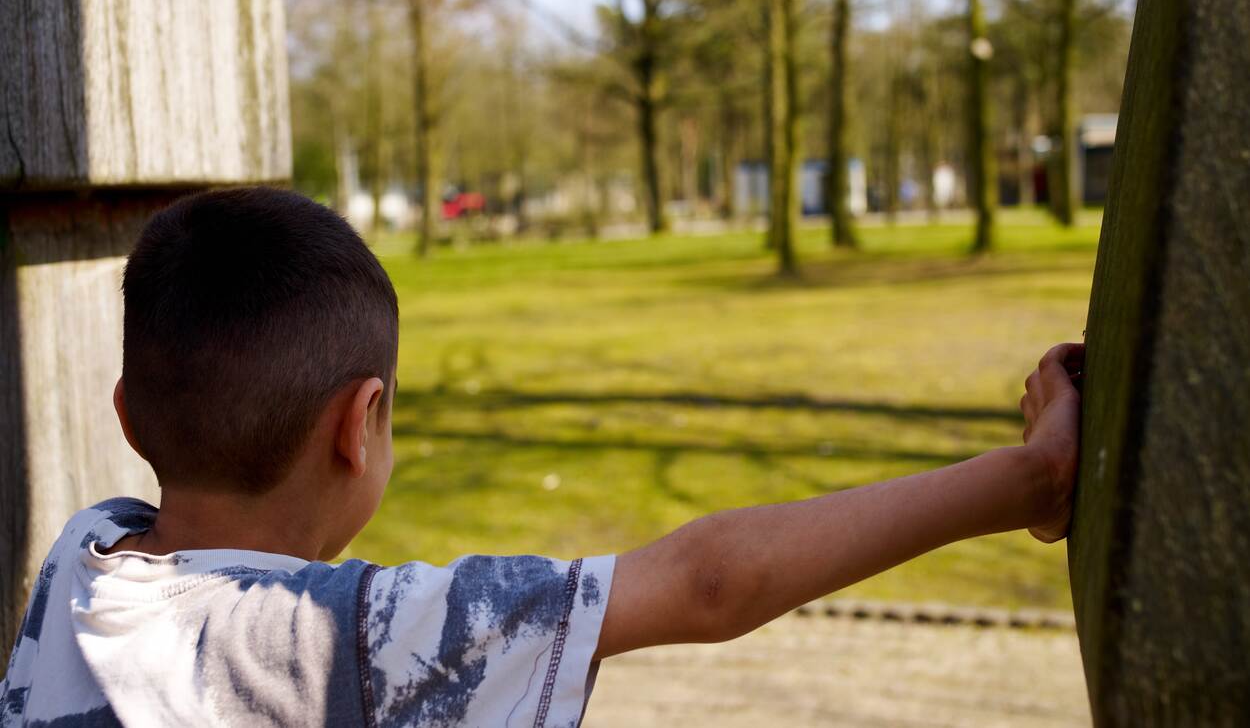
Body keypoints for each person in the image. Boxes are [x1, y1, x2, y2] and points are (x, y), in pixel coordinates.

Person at [0, 187, 1084, 727]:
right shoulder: (350, 644)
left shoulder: (80, 556)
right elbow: (706, 583)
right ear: (359, 422)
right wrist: (1028, 475)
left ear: (129, 416)